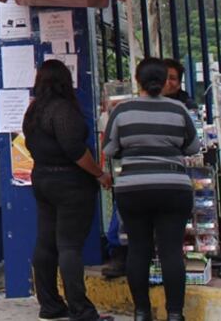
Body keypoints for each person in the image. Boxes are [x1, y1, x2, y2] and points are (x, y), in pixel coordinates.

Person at [104, 57, 201, 321]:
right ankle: (174, 314)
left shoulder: (122, 111)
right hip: (173, 187)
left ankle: (141, 313)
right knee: (171, 251)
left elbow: (109, 150)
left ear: (138, 80)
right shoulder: (178, 110)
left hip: (133, 189)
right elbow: (193, 148)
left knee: (138, 250)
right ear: (163, 80)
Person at [22, 60, 113, 321]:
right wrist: (99, 173)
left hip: (42, 179)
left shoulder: (33, 110)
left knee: (46, 243)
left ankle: (49, 304)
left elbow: (31, 143)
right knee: (69, 247)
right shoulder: (63, 110)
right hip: (71, 183)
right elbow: (75, 150)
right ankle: (80, 309)